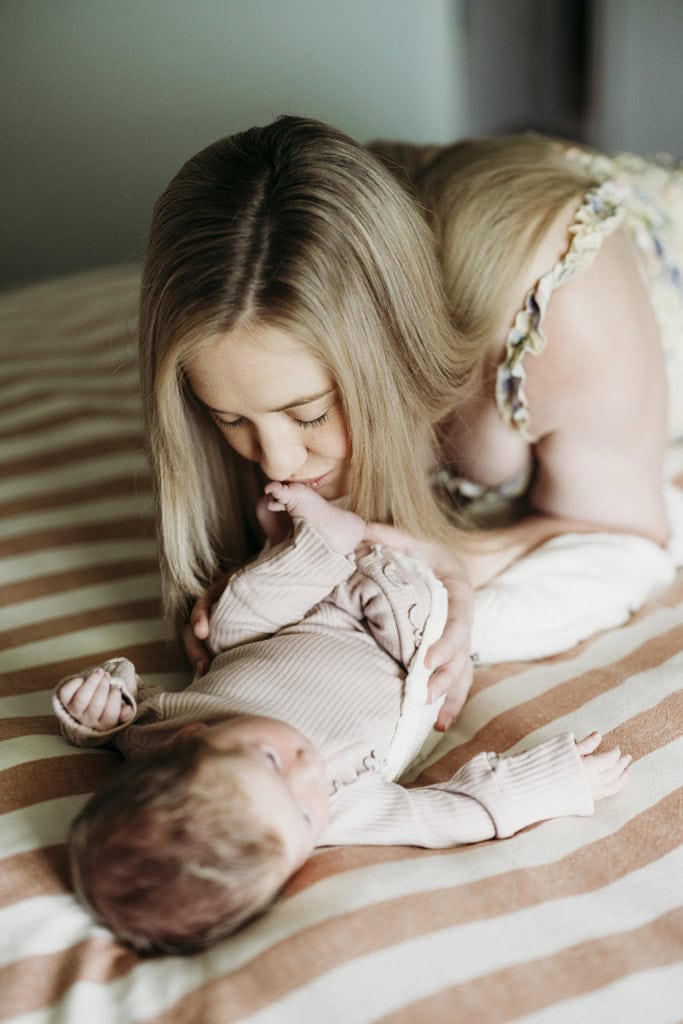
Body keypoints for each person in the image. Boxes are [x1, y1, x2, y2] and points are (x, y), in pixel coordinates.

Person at [138, 115, 683, 730]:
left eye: (309, 414)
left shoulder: (556, 309)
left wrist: (423, 560)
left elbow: (627, 531)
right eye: (230, 419)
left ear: (391, 352)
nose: (276, 462)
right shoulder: (269, 285)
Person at [54, 482, 630, 954]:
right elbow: (448, 815)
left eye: (270, 759)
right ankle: (636, 547)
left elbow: (126, 715)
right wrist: (552, 785)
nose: (306, 773)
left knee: (228, 624)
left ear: (195, 738)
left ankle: (313, 540)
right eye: (303, 813)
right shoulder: (343, 813)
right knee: (549, 607)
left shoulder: (168, 733)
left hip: (305, 608)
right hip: (414, 637)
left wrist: (94, 714)